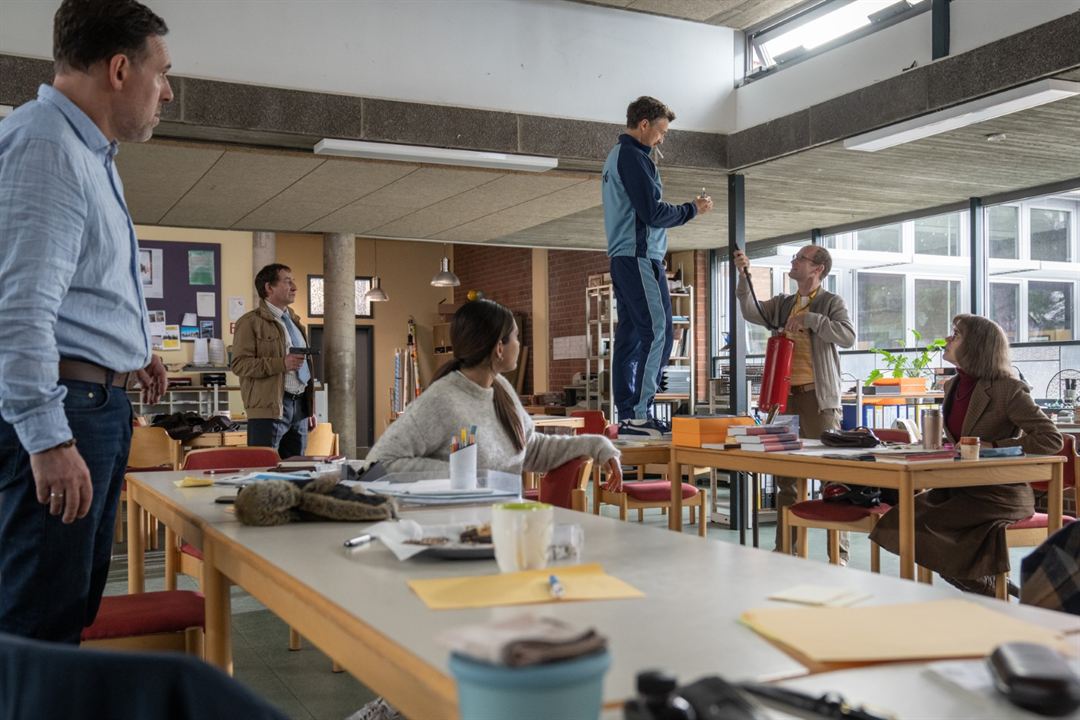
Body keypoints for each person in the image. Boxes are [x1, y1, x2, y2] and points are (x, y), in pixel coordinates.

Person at [0, 0, 171, 643]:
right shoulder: (46, 146)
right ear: (121, 69)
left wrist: (136, 351)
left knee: (67, 613)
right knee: (38, 628)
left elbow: (82, 292)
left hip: (94, 401)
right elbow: (17, 310)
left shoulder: (88, 154)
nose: (168, 90)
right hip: (67, 410)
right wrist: (47, 439)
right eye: (162, 72)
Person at [871, 314, 1062, 596]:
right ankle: (992, 588)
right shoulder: (951, 386)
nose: (947, 339)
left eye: (956, 334)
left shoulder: (1007, 389)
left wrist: (994, 447)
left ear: (976, 345)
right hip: (957, 490)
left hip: (999, 494)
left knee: (924, 529)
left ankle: (991, 592)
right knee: (898, 523)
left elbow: (1051, 439)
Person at [368, 299, 622, 486]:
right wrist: (462, 477)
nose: (519, 345)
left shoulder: (501, 389)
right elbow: (381, 463)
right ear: (499, 347)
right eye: (516, 338)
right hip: (457, 527)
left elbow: (530, 449)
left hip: (499, 524)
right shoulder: (442, 399)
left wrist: (596, 445)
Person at [734, 246, 855, 561]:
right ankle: (785, 551)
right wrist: (743, 276)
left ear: (817, 268)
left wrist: (812, 320)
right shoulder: (785, 303)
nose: (793, 262)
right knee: (786, 478)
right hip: (785, 400)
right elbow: (751, 311)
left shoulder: (831, 303)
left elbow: (847, 336)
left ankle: (837, 555)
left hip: (819, 399)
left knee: (832, 475)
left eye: (799, 258)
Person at [602, 96, 713, 439]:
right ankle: (638, 414)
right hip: (639, 257)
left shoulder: (616, 157)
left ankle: (628, 415)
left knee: (630, 337)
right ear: (645, 124)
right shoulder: (634, 157)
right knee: (660, 332)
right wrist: (692, 209)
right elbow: (652, 213)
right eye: (661, 131)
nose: (662, 138)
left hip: (624, 258)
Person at [232, 264, 317, 459]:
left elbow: (305, 368)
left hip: (299, 407)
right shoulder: (250, 322)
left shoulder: (296, 323)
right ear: (269, 288)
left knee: (296, 471)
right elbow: (239, 364)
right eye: (288, 281)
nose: (294, 286)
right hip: (269, 409)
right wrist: (282, 364)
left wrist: (309, 409)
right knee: (264, 468)